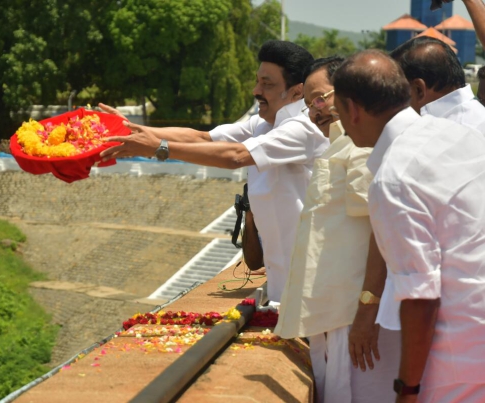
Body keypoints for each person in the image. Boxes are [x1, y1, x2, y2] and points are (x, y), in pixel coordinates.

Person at [100, 41, 329, 304]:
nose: (256, 91)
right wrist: (130, 129)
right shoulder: (265, 124)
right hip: (285, 285)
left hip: (311, 289)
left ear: (297, 92)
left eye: (267, 84)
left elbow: (235, 156)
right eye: (257, 82)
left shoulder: (303, 128)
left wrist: (158, 148)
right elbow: (202, 138)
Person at [333, 49, 485, 402]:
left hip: (461, 355)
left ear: (352, 110)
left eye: (338, 112)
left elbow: (421, 298)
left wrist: (407, 389)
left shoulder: (394, 178)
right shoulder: (459, 135)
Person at [274, 56, 400, 403]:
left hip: (354, 315)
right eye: (309, 103)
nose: (315, 110)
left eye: (321, 97)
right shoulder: (341, 143)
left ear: (347, 95)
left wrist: (366, 310)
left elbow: (382, 229)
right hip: (336, 314)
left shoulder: (363, 145)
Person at [390, 36, 485, 134]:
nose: (396, 104)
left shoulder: (450, 132)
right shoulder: (476, 117)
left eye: (399, 92)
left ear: (419, 90)